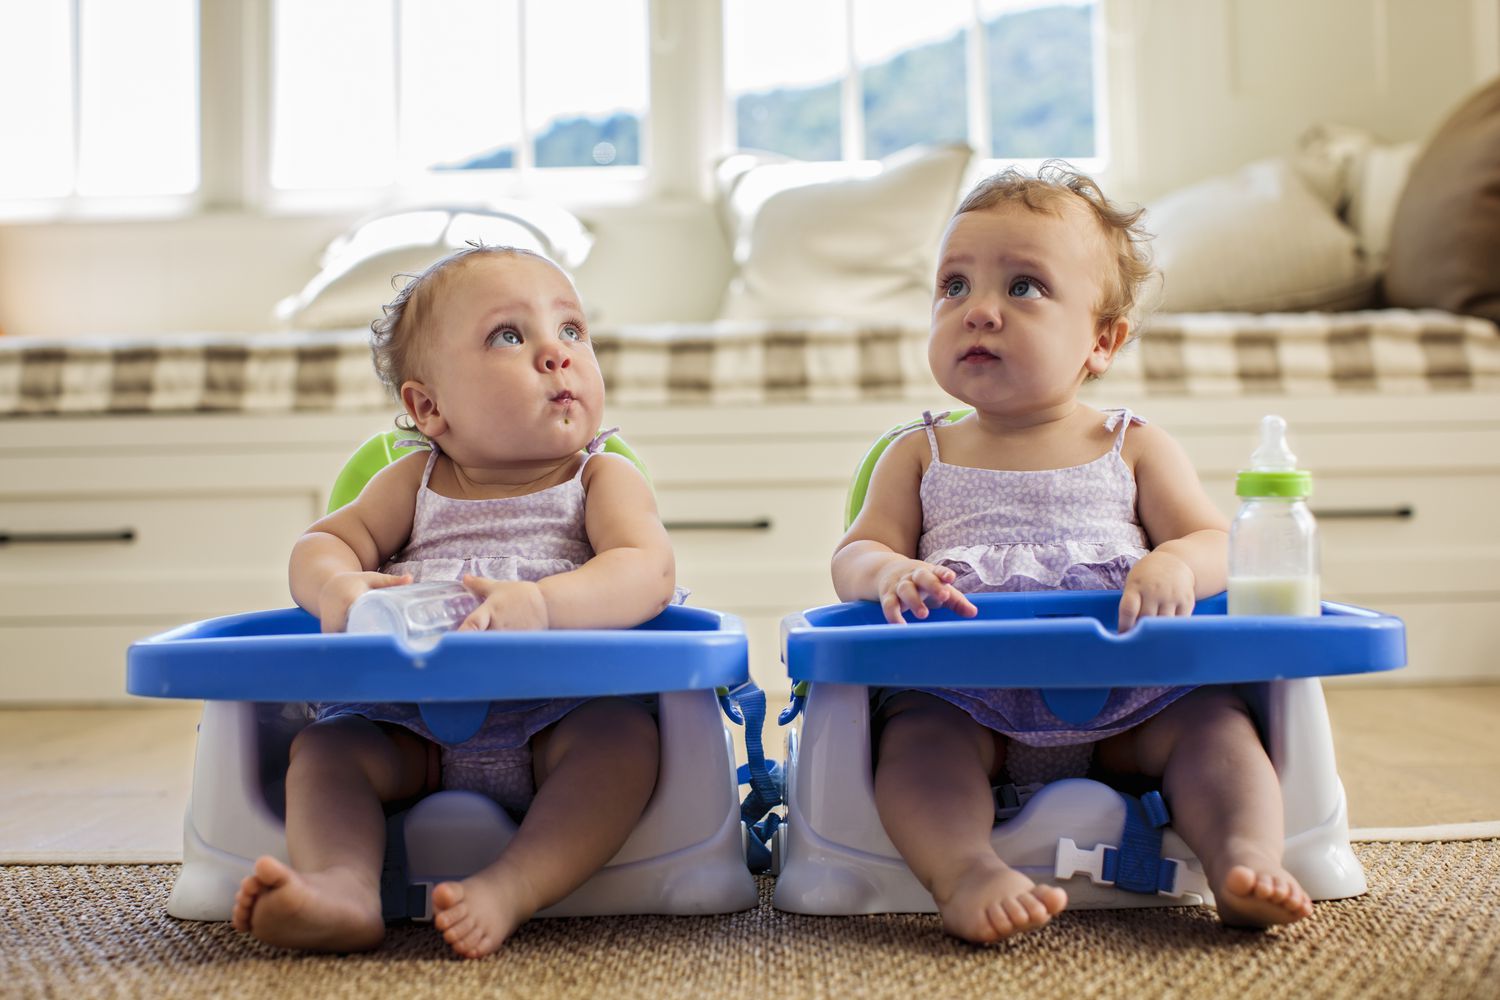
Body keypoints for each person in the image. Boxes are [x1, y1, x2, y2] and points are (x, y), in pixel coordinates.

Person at [831, 163, 1314, 944]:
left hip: (1133, 700)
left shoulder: (1132, 445)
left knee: (1216, 730)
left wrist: (1176, 564)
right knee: (915, 745)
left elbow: (1222, 541)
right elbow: (855, 555)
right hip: (969, 698)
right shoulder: (919, 453)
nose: (978, 311)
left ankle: (1243, 860)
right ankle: (964, 871)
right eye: (954, 287)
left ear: (1103, 340)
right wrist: (891, 572)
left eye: (1023, 287)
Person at [232, 245, 677, 959]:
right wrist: (338, 587)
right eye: (510, 336)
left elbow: (647, 570)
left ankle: (512, 886)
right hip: (408, 726)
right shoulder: (412, 481)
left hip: (556, 720)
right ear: (428, 407)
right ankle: (341, 887)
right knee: (325, 751)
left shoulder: (601, 479)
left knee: (624, 746)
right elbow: (320, 545)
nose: (556, 355)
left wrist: (543, 605)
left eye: (571, 331)